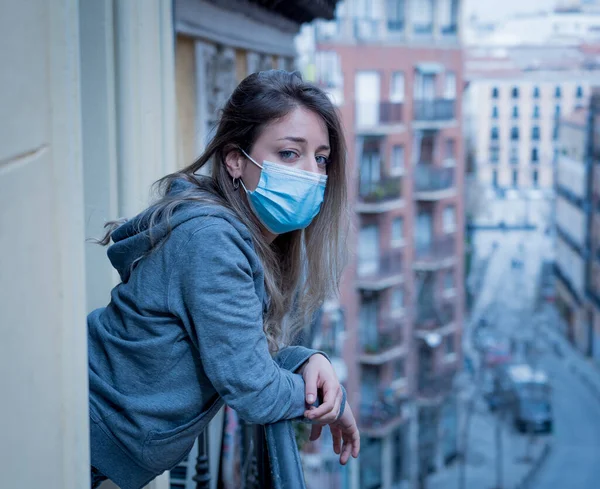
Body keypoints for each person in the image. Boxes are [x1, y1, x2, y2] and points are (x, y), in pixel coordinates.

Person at [88, 70, 360, 489]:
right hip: (85, 440)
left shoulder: (239, 236)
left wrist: (306, 360)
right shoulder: (212, 240)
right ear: (235, 160)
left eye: (321, 158)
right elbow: (254, 390)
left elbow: (240, 350)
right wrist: (329, 399)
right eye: (290, 154)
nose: (312, 173)